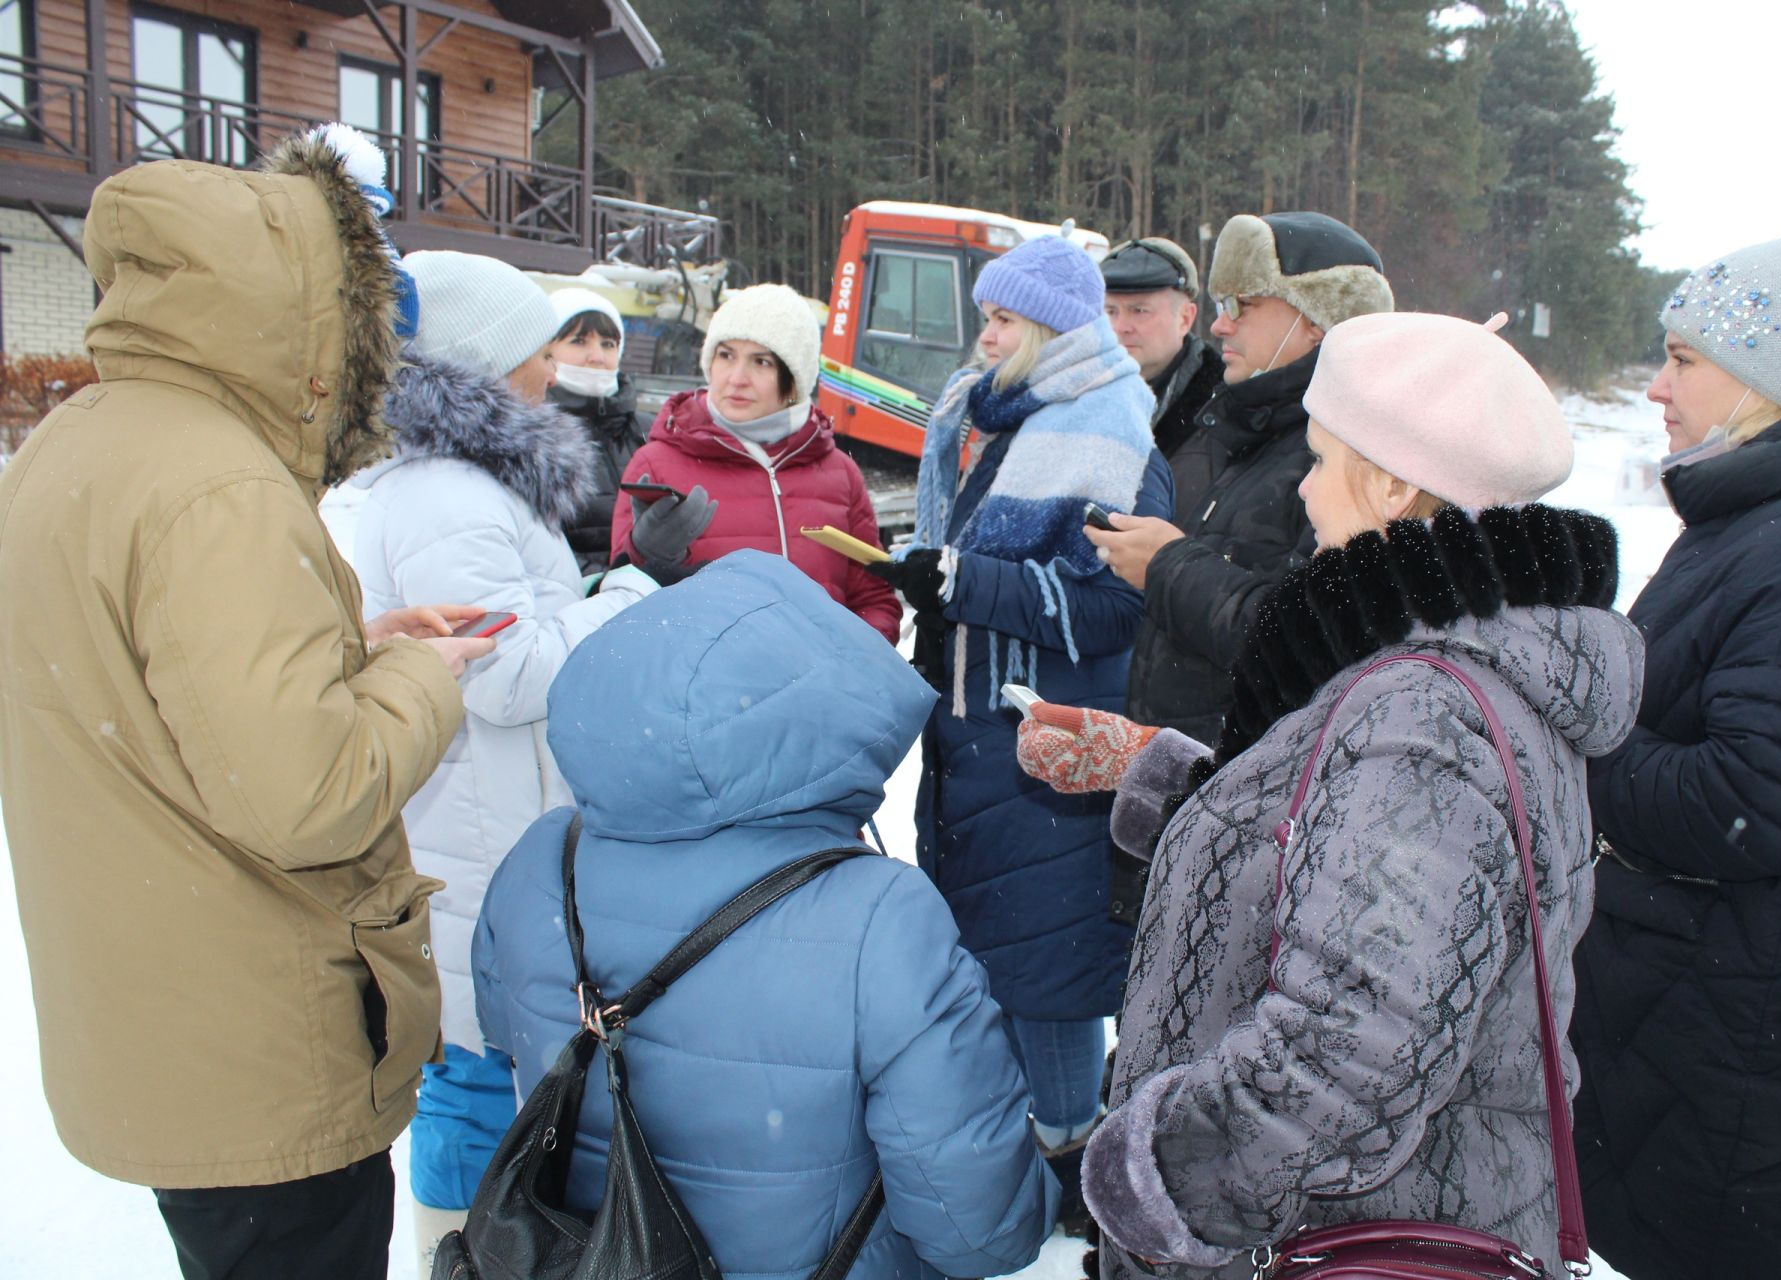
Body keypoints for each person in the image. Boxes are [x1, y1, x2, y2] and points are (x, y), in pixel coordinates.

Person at [1017, 312, 1645, 1276]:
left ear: (1394, 485)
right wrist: (1159, 770)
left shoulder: (1424, 715)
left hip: (1332, 1235)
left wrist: (1156, 1177)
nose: (1304, 489)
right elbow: (1341, 853)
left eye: (1318, 459)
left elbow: (1347, 1053)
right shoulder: (1456, 651)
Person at [0, 126, 495, 1279]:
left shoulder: (83, 435)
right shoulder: (221, 484)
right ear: (303, 308)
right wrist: (423, 676)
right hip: (260, 1045)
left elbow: (137, 666)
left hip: (157, 1004)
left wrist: (348, 641)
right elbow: (311, 794)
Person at [473, 551, 1057, 1280]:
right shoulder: (879, 918)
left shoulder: (541, 860)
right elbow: (980, 1229)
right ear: (823, 721)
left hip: (583, 1255)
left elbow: (507, 1033)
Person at [1570, 230, 1781, 1280]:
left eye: (1683, 358)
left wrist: (1576, 741)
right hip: (1710, 1039)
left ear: (1775, 375)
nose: (1657, 386)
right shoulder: (1773, 514)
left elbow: (1751, 800)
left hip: (1750, 1072)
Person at [347, 249, 659, 1263]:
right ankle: (460, 1247)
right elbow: (503, 672)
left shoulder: (464, 477)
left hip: (486, 814)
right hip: (476, 830)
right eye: (535, 345)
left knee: (485, 1066)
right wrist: (628, 593)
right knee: (478, 1073)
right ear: (486, 359)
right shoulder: (446, 492)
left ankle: (470, 1241)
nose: (552, 365)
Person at [865, 234, 1175, 1227]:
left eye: (1000, 319)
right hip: (973, 737)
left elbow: (1115, 608)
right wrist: (931, 581)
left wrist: (960, 580)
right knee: (996, 954)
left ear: (1044, 330)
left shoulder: (1114, 430)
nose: (983, 333)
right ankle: (1031, 1149)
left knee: (1049, 970)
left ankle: (1073, 1166)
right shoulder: (986, 411)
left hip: (1044, 745)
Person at [1088, 212, 1394, 748]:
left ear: (1317, 319)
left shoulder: (1350, 456)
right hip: (1183, 782)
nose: (1219, 325)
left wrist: (1166, 564)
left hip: (1247, 795)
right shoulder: (1236, 427)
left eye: (1241, 306)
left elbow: (1309, 643)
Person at [609, 283, 902, 641]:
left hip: (821, 693)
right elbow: (622, 605)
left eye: (761, 361)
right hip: (707, 693)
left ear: (795, 379)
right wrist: (645, 558)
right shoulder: (655, 463)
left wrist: (852, 664)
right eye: (726, 355)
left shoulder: (840, 473)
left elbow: (873, 599)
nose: (736, 378)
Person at [547, 287, 649, 575]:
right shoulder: (532, 432)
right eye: (579, 341)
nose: (597, 357)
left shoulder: (648, 430)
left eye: (608, 344)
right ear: (546, 350)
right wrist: (600, 585)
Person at [1099, 237, 1223, 464]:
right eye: (1110, 312)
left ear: (1185, 319)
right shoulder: (1074, 395)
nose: (1121, 327)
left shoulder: (1224, 411)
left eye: (1139, 311)